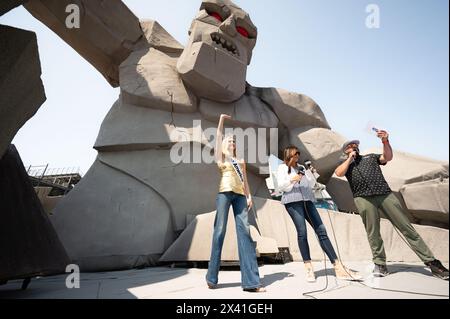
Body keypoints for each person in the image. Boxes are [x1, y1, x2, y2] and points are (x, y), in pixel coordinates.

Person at [334, 130, 449, 280]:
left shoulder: (370, 157)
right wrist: (349, 159)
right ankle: (380, 263)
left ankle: (433, 263)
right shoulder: (345, 164)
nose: (354, 146)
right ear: (345, 151)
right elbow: (338, 173)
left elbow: (387, 157)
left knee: (406, 228)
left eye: (355, 144)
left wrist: (385, 141)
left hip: (384, 195)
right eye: (350, 145)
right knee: (373, 232)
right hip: (363, 199)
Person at [277, 146, 362, 282]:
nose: (297, 157)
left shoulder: (302, 168)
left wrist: (311, 173)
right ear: (288, 156)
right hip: (293, 202)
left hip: (308, 201)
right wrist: (294, 178)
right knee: (302, 232)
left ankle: (338, 266)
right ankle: (308, 268)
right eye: (295, 155)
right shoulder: (282, 168)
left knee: (321, 230)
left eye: (298, 154)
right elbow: (281, 186)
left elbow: (311, 184)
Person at [205, 114, 266, 293]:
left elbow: (245, 180)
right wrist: (222, 120)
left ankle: (251, 283)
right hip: (224, 194)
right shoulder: (221, 158)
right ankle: (211, 277)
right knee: (219, 231)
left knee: (245, 234)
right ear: (224, 145)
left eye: (234, 141)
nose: (232, 143)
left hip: (240, 196)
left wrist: (249, 196)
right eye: (229, 140)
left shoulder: (240, 161)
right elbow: (217, 136)